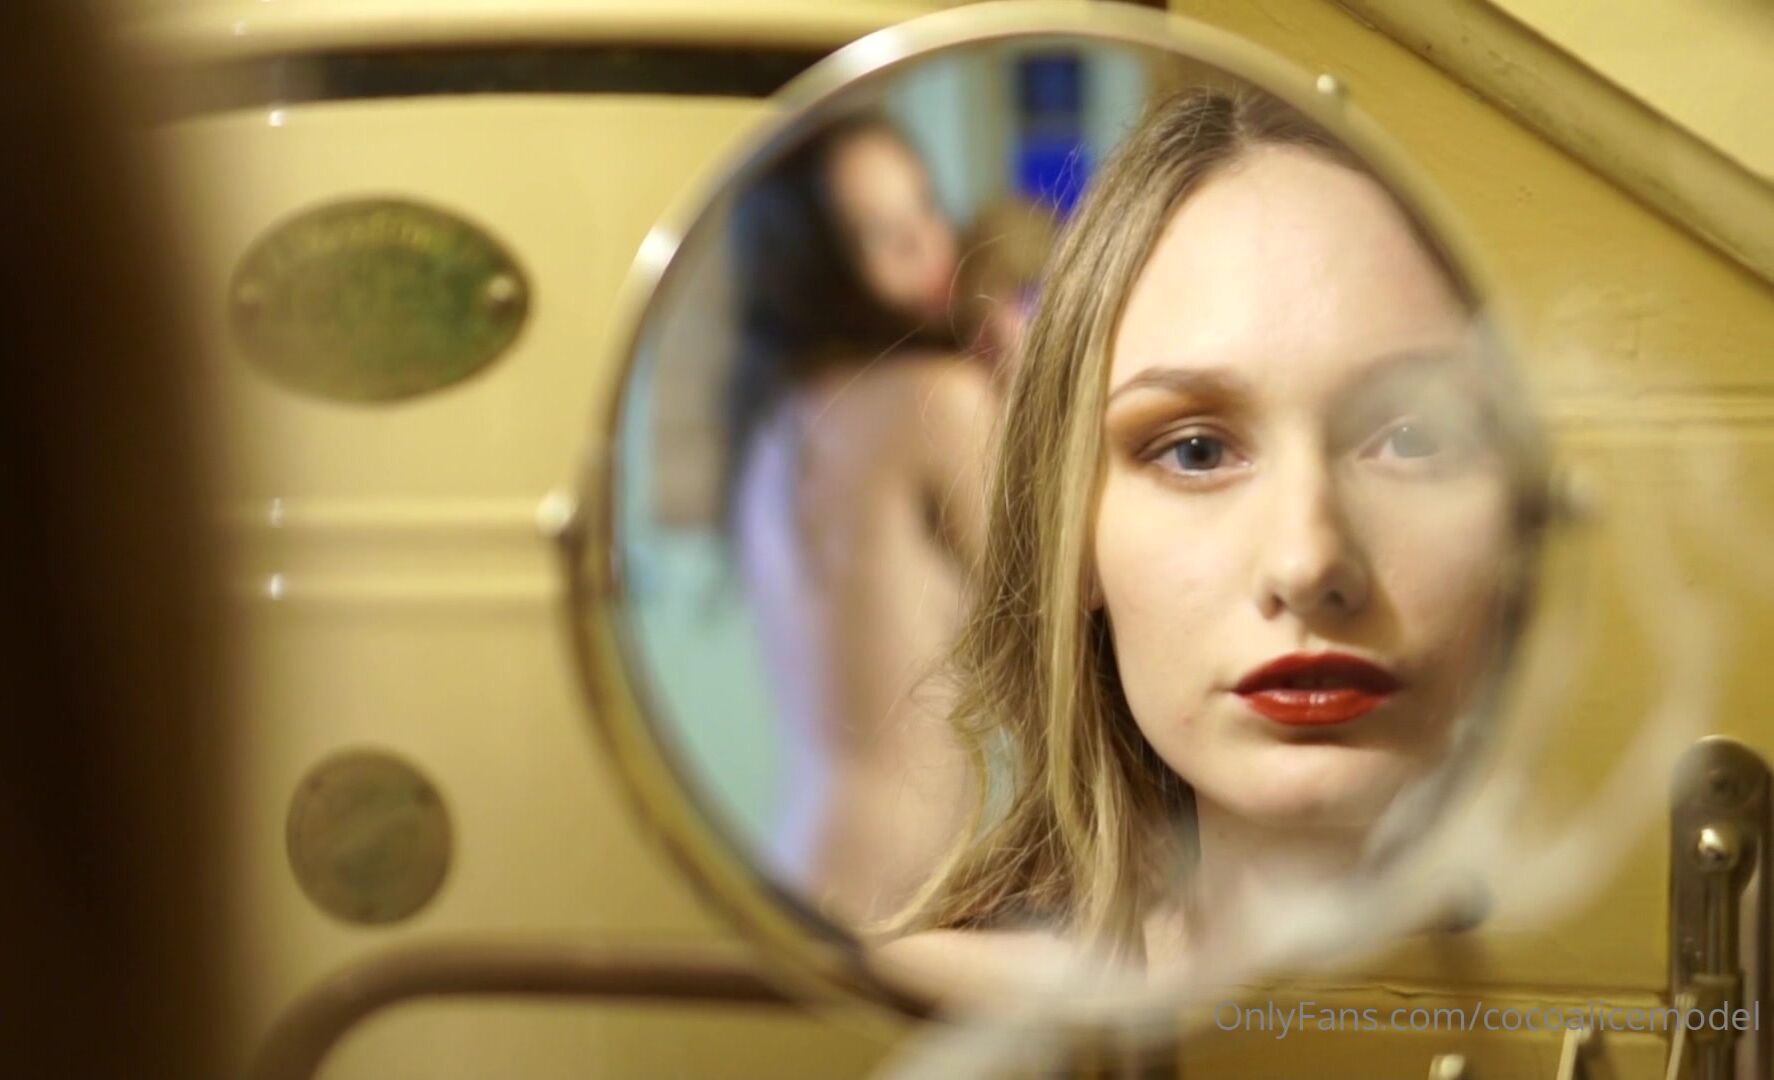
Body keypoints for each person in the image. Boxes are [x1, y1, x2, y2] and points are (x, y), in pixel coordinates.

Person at [874, 86, 1555, 999]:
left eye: (1413, 438)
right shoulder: (909, 1016)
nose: (1307, 563)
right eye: (1195, 450)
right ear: (1074, 539)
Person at [726, 113, 1000, 922]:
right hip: (898, 892)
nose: (928, 243)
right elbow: (1060, 615)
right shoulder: (939, 398)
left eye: (926, 204)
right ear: (816, 269)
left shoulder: (774, 428)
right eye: (881, 233)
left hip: (798, 865)